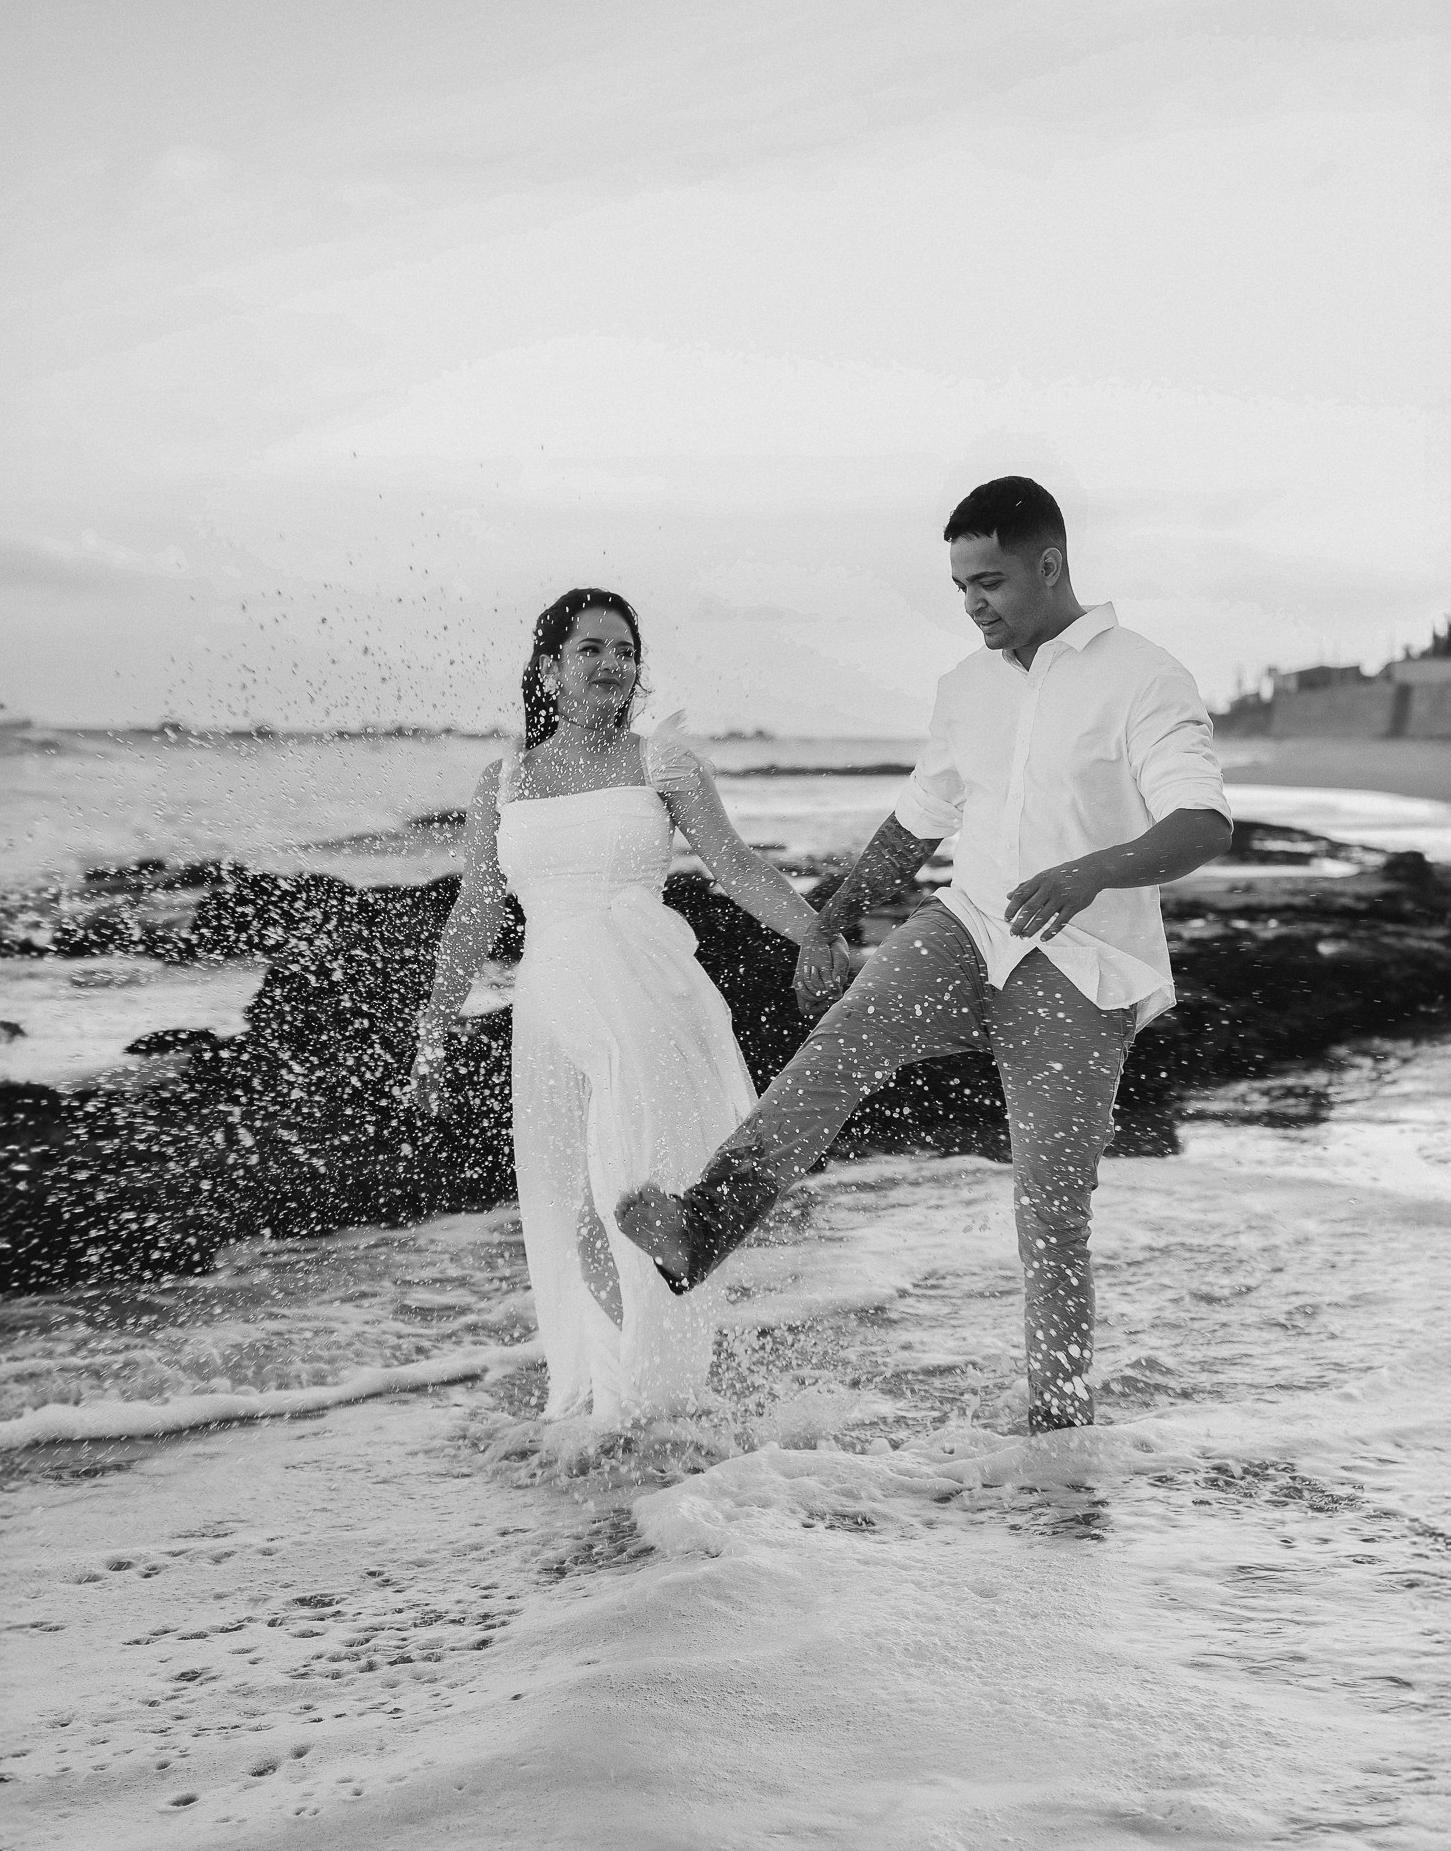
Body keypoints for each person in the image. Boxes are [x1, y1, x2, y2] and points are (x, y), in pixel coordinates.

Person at [617, 479, 1234, 1434]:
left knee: (1052, 1211)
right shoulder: (966, 687)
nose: (974, 603)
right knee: (842, 1041)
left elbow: (1202, 822)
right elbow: (916, 826)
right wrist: (830, 917)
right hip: (967, 928)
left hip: (1083, 969)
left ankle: (1059, 1428)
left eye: (988, 581)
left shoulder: (1143, 677)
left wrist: (1084, 874)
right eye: (960, 586)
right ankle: (704, 1225)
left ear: (1050, 565)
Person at [410, 588, 834, 1425]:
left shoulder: (662, 762)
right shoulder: (503, 781)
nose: (612, 665)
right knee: (574, 1206)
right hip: (550, 1002)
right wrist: (434, 1025)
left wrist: (816, 931)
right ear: (548, 668)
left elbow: (737, 868)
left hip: (643, 994)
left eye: (625, 650)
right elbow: (476, 910)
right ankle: (620, 1399)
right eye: (590, 650)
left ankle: (649, 1399)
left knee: (629, 1192)